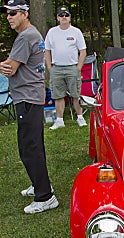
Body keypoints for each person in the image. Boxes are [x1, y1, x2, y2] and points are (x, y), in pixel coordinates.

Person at [0, 0, 59, 213]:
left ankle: (45, 196)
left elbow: (10, 69)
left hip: (27, 97)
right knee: (33, 145)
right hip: (30, 96)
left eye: (13, 13)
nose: (9, 17)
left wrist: (4, 65)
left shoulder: (26, 37)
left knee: (29, 147)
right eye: (7, 14)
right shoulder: (32, 34)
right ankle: (39, 184)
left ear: (25, 13)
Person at [45, 5, 87, 130]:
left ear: (70, 18)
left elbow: (83, 51)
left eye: (66, 15)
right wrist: (49, 67)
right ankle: (59, 120)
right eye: (61, 15)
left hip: (72, 68)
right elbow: (47, 51)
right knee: (58, 95)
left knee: (76, 94)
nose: (64, 17)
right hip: (56, 68)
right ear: (57, 18)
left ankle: (80, 117)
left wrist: (78, 68)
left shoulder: (76, 32)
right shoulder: (52, 32)